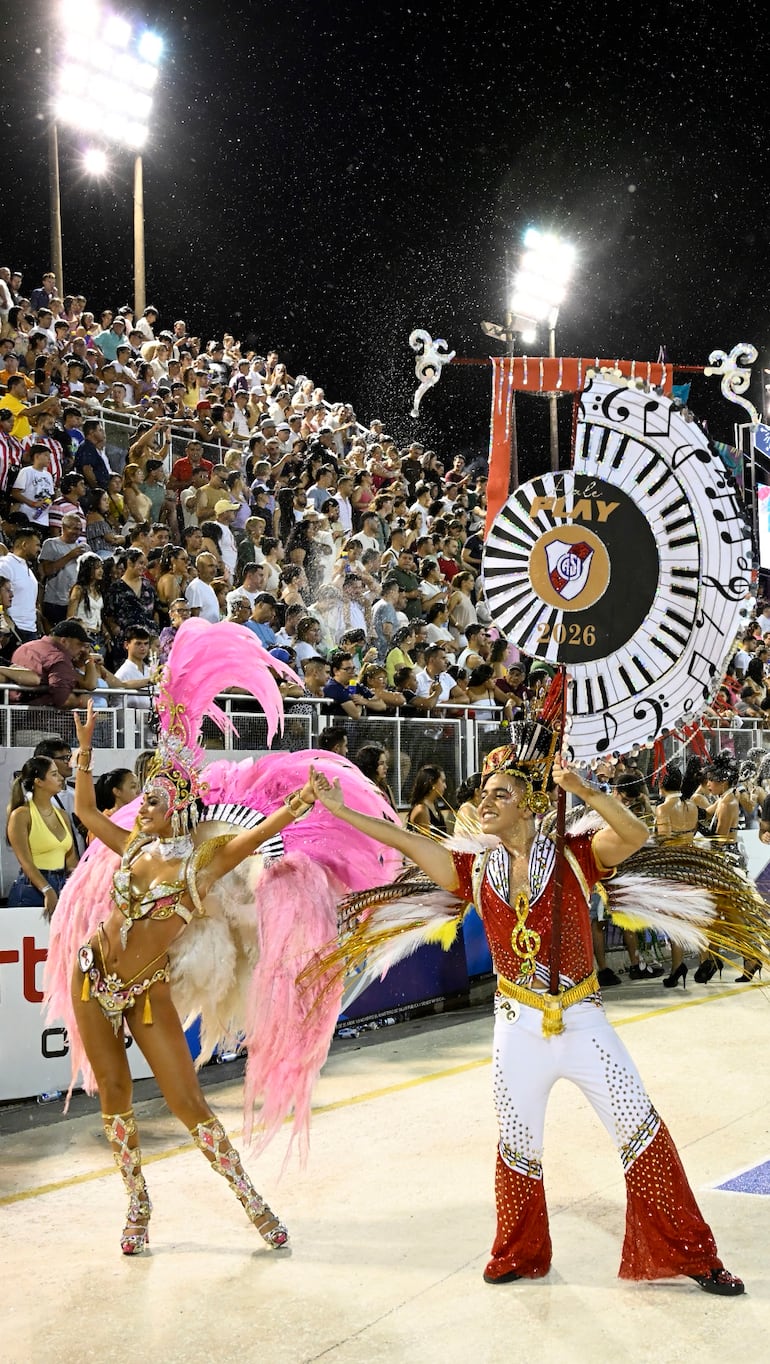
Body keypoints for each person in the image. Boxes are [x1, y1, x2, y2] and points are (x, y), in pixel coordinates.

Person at [309, 725, 745, 1297]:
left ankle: (690, 1253)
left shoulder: (573, 854)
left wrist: (583, 789)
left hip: (583, 1021)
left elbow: (635, 834)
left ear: (531, 804)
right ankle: (517, 1251)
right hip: (516, 1028)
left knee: (639, 1129)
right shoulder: (474, 870)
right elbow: (408, 842)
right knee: (517, 1143)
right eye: (484, 794)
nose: (485, 802)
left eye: (500, 794)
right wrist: (343, 812)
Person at [6, 755, 78, 915]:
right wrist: (47, 889)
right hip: (32, 889)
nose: (61, 778)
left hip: (61, 885)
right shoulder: (21, 815)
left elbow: (71, 860)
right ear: (39, 782)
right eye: (54, 774)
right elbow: (25, 861)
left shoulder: (62, 815)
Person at [407, 764, 449, 834]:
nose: (445, 786)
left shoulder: (434, 804)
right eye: (443, 781)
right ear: (432, 783)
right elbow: (427, 838)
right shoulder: (421, 809)